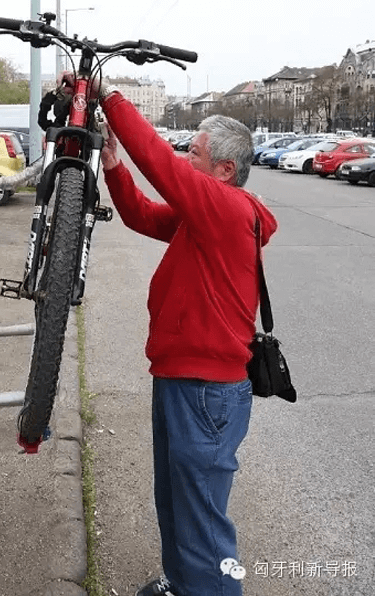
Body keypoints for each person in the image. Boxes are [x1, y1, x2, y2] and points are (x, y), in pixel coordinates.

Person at [83, 80, 278, 596]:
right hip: (180, 382)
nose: (182, 156)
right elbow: (142, 216)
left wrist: (110, 97)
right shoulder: (203, 216)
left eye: (193, 151)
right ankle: (182, 585)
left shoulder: (226, 209)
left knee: (205, 528)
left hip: (206, 394)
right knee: (174, 504)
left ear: (224, 170)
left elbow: (162, 169)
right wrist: (114, 167)